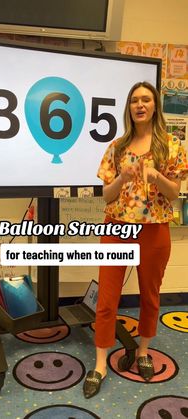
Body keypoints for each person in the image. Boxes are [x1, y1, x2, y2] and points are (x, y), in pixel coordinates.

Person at [83, 81, 188, 399]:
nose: (140, 105)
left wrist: (157, 177)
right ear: (128, 108)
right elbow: (106, 196)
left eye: (146, 99)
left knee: (150, 295)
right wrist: (122, 178)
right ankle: (100, 363)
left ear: (155, 105)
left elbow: (175, 195)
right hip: (116, 228)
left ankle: (143, 351)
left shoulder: (171, 146)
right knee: (106, 300)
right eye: (134, 101)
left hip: (155, 229)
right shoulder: (117, 146)